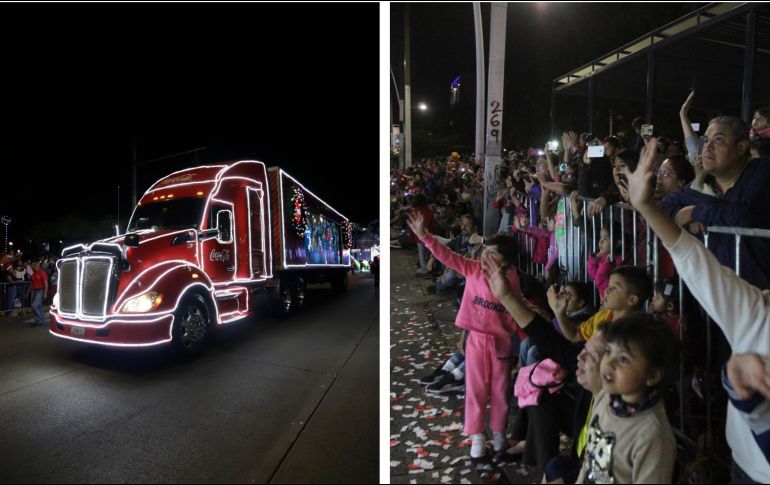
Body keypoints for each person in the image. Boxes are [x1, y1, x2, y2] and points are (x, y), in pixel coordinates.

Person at [624, 137, 770, 483]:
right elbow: (694, 260)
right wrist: (645, 206)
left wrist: (751, 404)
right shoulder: (757, 310)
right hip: (744, 468)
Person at [407, 210, 527, 463]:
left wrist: (525, 339)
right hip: (476, 342)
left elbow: (517, 312)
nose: (486, 256)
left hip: (502, 344)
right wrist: (425, 237)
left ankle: (498, 436)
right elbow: (448, 257)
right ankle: (477, 437)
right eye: (486, 250)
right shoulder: (473, 269)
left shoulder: (512, 279)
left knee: (500, 391)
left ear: (506, 261)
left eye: (493, 253)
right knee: (475, 390)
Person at [659, 115, 770, 288]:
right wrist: (687, 220)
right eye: (705, 140)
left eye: (718, 140)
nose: (708, 147)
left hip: (761, 300)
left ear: (741, 147)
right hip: (718, 299)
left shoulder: (762, 171)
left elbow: (745, 214)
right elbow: (662, 210)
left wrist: (694, 212)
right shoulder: (701, 185)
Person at [577, 314, 679, 483]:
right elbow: (589, 460)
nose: (608, 363)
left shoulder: (652, 436)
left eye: (623, 359)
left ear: (652, 375)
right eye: (608, 352)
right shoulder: (605, 398)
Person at [548, 265, 652, 344]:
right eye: (608, 285)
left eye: (614, 288)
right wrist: (559, 312)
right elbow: (574, 336)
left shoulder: (637, 333)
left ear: (632, 299)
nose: (606, 291)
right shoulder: (603, 315)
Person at [27, 261, 48, 327]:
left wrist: (45, 293)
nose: (32, 267)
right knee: (39, 307)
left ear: (37, 266)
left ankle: (38, 321)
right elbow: (31, 284)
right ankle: (42, 321)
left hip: (40, 291)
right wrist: (28, 292)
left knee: (34, 305)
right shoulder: (33, 274)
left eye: (33, 266)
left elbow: (46, 284)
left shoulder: (42, 273)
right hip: (35, 291)